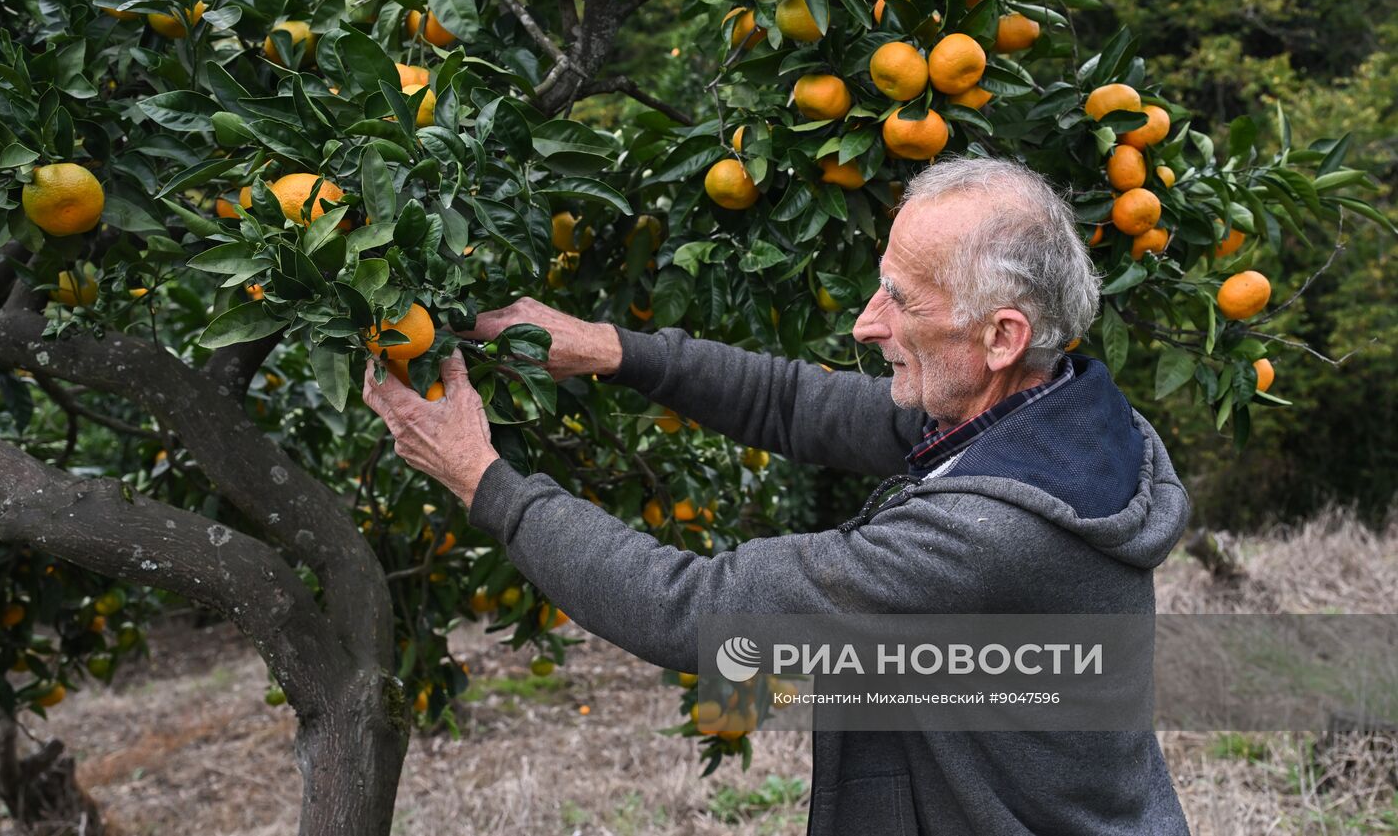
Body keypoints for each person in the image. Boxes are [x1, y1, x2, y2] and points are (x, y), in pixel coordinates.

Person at [362, 156, 1192, 835]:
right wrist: (612, 349)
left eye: (900, 301)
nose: (868, 324)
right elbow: (799, 404)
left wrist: (482, 477)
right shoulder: (1053, 414)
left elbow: (694, 612)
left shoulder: (988, 532)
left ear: (1000, 336)